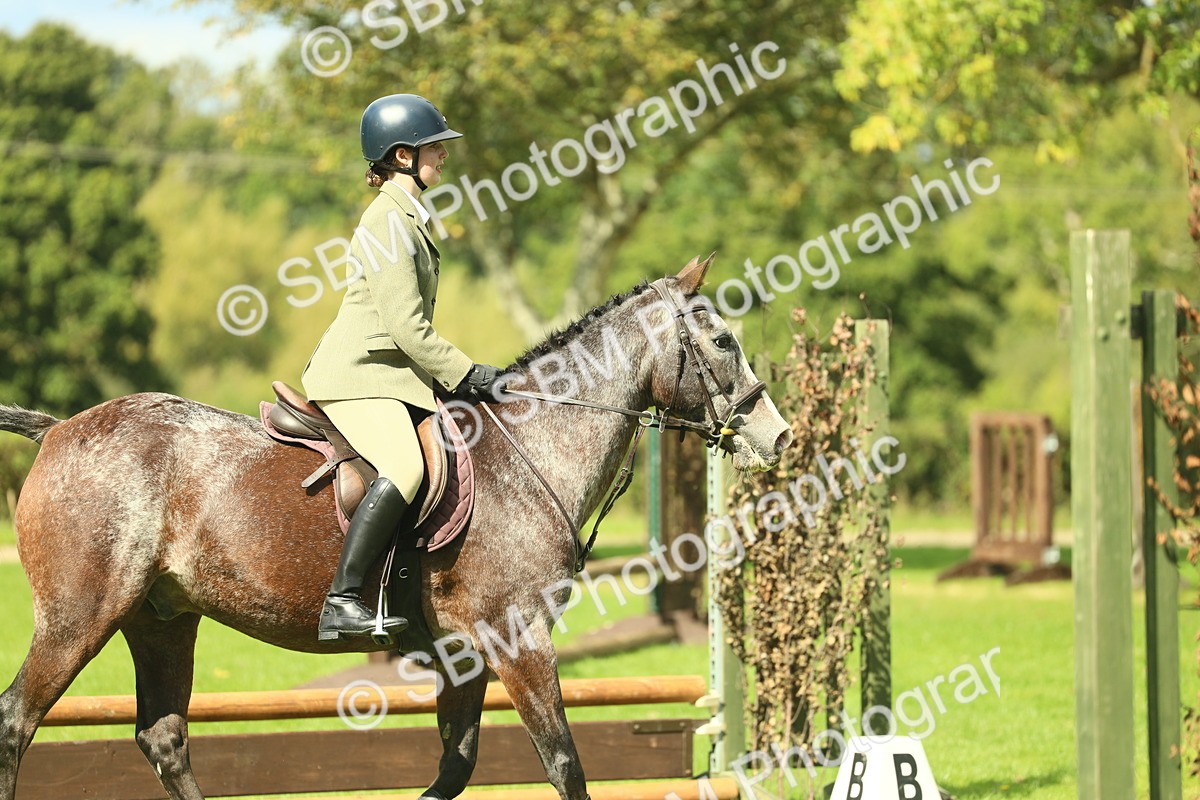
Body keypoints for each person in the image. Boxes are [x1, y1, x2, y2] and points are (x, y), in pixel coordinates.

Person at [301, 93, 501, 642]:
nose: (444, 155)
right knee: (408, 468)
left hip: (392, 376)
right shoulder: (388, 219)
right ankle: (342, 601)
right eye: (434, 145)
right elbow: (407, 328)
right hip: (359, 375)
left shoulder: (409, 215)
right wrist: (467, 373)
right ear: (402, 154)